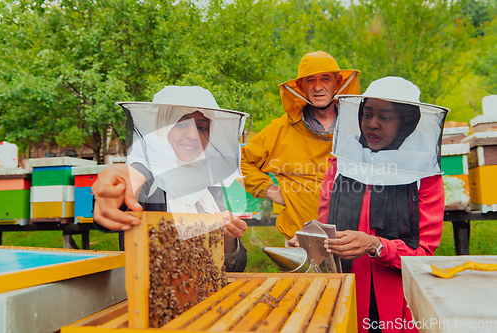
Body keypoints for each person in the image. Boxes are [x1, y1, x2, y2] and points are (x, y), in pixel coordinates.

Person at [319, 77, 447, 332]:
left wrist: (376, 245)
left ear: (406, 124)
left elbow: (425, 252)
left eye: (386, 117)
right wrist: (309, 240)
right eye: (367, 114)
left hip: (397, 298)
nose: (372, 124)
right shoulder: (341, 164)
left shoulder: (424, 176)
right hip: (343, 289)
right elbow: (325, 229)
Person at [92, 86, 249, 272]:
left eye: (202, 127)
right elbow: (133, 182)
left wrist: (229, 240)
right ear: (161, 126)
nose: (193, 135)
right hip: (152, 298)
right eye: (181, 124)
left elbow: (234, 269)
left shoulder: (210, 186)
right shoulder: (148, 177)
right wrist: (119, 188)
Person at [241, 51, 360, 241]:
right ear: (300, 86)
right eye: (311, 80)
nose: (318, 87)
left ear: (338, 83)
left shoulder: (358, 126)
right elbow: (242, 160)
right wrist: (270, 190)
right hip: (300, 238)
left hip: (351, 239)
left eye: (326, 79)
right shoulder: (281, 129)